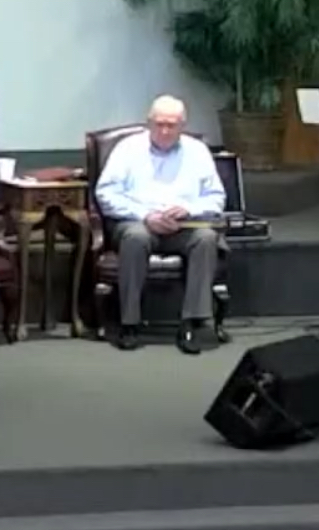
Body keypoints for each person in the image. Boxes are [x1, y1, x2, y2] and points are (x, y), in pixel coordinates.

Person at [92, 95, 227, 353]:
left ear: (182, 126)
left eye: (171, 125)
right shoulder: (128, 149)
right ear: (149, 123)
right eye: (159, 124)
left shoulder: (197, 151)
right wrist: (146, 215)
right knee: (136, 237)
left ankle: (191, 323)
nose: (165, 131)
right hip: (138, 222)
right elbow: (106, 193)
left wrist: (188, 210)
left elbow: (216, 198)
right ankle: (129, 323)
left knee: (206, 238)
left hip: (183, 226)